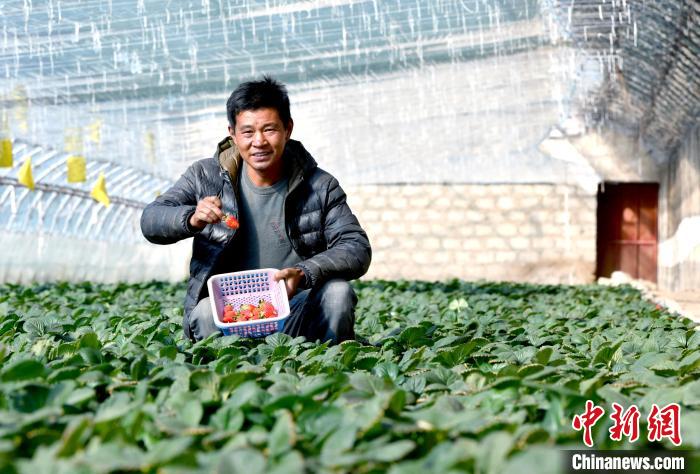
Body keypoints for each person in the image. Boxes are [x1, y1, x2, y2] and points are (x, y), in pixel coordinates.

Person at [140, 76, 371, 344]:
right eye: (248, 132)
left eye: (269, 129)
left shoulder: (319, 186)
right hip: (231, 314)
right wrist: (191, 218)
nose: (259, 141)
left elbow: (356, 246)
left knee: (337, 293)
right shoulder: (205, 177)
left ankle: (328, 365)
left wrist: (304, 272)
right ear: (233, 134)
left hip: (296, 311)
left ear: (288, 129)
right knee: (205, 312)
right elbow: (151, 220)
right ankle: (227, 368)